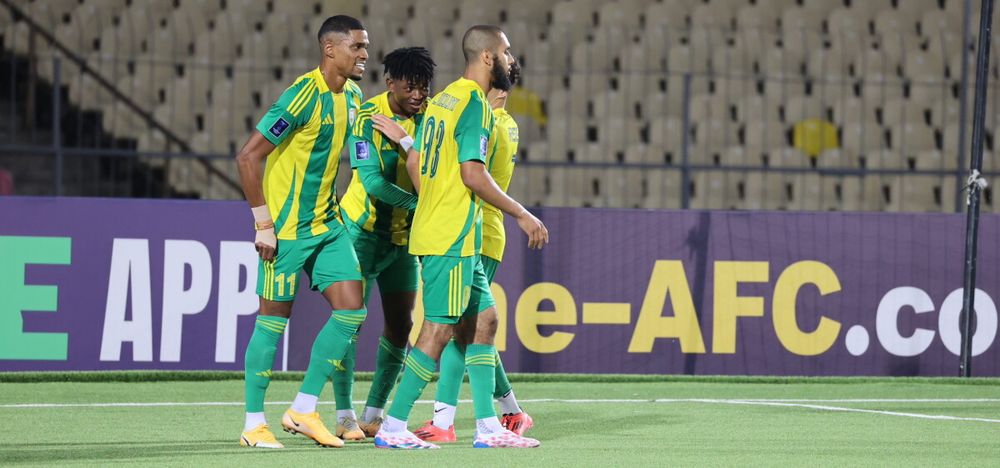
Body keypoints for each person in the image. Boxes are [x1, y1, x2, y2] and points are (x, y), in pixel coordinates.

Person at [370, 25, 548, 450]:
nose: (509, 60)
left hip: (449, 232)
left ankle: (488, 427)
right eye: (505, 53)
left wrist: (435, 199)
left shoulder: (444, 98)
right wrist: (522, 214)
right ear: (488, 57)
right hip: (450, 235)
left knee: (485, 320)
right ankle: (394, 425)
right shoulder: (475, 106)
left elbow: (417, 166)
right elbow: (473, 173)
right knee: (438, 332)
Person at [233, 15, 368, 449]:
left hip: (328, 226)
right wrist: (263, 224)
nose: (364, 55)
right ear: (330, 49)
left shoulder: (353, 95)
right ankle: (254, 424)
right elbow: (247, 158)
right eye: (356, 47)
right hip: (286, 232)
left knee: (351, 312)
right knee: (272, 324)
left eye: (365, 47)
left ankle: (304, 409)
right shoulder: (300, 97)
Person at [413, 58, 533, 443]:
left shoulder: (490, 120)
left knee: (460, 329)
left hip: (474, 232)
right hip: (481, 232)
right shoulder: (506, 122)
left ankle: (445, 422)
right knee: (472, 326)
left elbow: (468, 171)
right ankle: (509, 412)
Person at [329, 46, 435, 441]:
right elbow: (371, 183)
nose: (418, 95)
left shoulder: (431, 117)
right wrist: (423, 205)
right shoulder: (368, 118)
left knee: (401, 324)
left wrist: (409, 142)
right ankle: (343, 415)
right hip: (362, 234)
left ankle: (374, 414)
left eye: (424, 88)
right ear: (390, 82)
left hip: (404, 240)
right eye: (410, 87)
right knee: (349, 322)